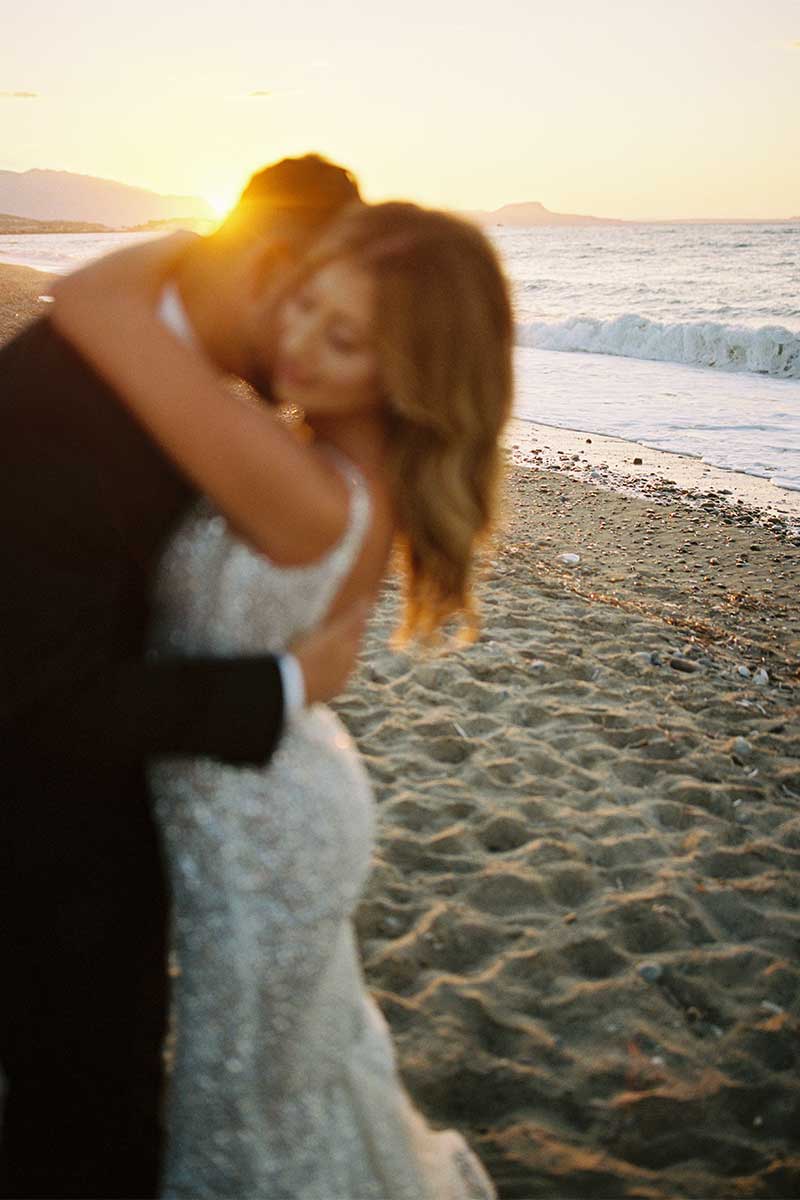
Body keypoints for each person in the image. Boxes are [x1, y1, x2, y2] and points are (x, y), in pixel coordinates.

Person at [52, 198, 514, 1198]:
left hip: (259, 826)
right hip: (274, 779)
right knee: (289, 1087)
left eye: (342, 337)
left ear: (407, 372)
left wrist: (199, 239)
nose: (297, 343)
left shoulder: (299, 485)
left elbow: (90, 296)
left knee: (252, 1108)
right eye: (303, 302)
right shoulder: (338, 465)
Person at [0, 155, 366, 1200]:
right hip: (47, 847)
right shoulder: (58, 406)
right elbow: (42, 698)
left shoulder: (160, 358)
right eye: (310, 307)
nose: (306, 347)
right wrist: (284, 685)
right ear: (269, 264)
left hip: (128, 825)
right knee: (81, 1126)